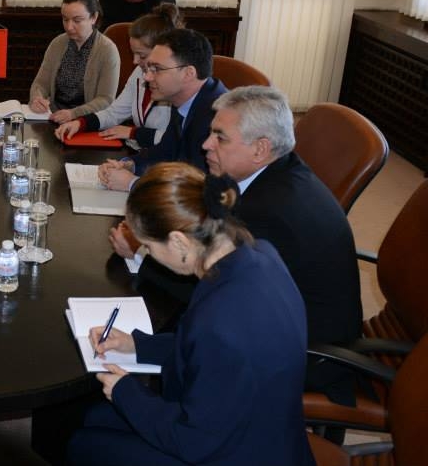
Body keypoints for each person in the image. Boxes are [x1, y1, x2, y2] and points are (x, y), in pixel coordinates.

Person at [67, 163, 313, 466]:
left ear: (179, 242)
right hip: (262, 426)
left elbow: (194, 440)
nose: (147, 253)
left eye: (147, 246)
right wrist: (137, 344)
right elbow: (200, 348)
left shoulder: (220, 323)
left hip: (233, 451)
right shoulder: (257, 255)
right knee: (94, 418)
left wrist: (125, 392)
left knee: (85, 443)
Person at [202, 86, 362, 407]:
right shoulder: (279, 169)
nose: (206, 144)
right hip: (299, 318)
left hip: (309, 353)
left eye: (220, 137)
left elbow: (217, 289)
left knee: (183, 348)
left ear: (260, 149)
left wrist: (145, 253)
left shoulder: (269, 212)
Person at [97, 28, 226, 191]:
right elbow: (164, 153)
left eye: (157, 69)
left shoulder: (216, 117)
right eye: (149, 68)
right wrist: (129, 165)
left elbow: (199, 190)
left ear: (188, 73)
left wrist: (132, 184)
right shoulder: (183, 99)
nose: (147, 77)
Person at [55, 2, 181, 145]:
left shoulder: (177, 84)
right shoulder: (139, 72)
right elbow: (114, 113)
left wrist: (133, 133)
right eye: (133, 54)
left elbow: (177, 140)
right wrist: (80, 123)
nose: (135, 61)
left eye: (142, 56)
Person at [28, 0, 121, 124]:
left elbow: (106, 99)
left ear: (94, 17)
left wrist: (73, 114)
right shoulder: (57, 43)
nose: (69, 27)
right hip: (53, 116)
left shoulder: (107, 50)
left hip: (85, 121)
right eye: (65, 19)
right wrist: (37, 98)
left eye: (77, 20)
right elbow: (41, 83)